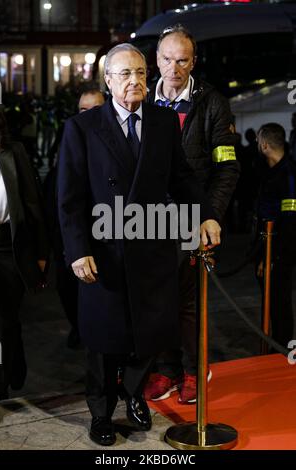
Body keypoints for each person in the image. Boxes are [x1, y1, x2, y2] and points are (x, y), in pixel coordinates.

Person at [58, 43, 221, 446]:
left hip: (151, 247)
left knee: (145, 331)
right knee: (102, 338)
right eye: (125, 74)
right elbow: (69, 197)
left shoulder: (165, 123)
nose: (135, 80)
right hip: (104, 250)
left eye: (141, 73)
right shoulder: (82, 127)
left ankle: (134, 396)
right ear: (108, 80)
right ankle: (101, 413)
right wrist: (78, 249)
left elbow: (181, 179)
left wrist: (204, 214)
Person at [145, 24, 240, 403]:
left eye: (182, 60)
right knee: (157, 300)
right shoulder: (145, 99)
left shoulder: (212, 103)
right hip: (149, 222)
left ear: (193, 61)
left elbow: (228, 167)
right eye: (167, 59)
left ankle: (193, 371)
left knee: (189, 305)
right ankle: (165, 369)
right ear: (157, 60)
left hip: (192, 219)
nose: (174, 67)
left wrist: (209, 215)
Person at [43, 88, 105, 349]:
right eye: (83, 110)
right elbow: (56, 194)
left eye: (95, 109)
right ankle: (79, 330)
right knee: (68, 292)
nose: (88, 116)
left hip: (105, 237)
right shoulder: (68, 134)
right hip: (68, 241)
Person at [0, 105, 49, 400]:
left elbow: (33, 204)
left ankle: (12, 360)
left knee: (7, 317)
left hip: (8, 247)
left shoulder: (13, 152)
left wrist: (41, 253)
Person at [255, 123, 296, 348]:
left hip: (280, 250)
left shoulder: (288, 175)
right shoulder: (270, 171)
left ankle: (282, 348)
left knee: (280, 301)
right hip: (265, 245)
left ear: (265, 145)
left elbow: (289, 222)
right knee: (271, 300)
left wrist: (270, 257)